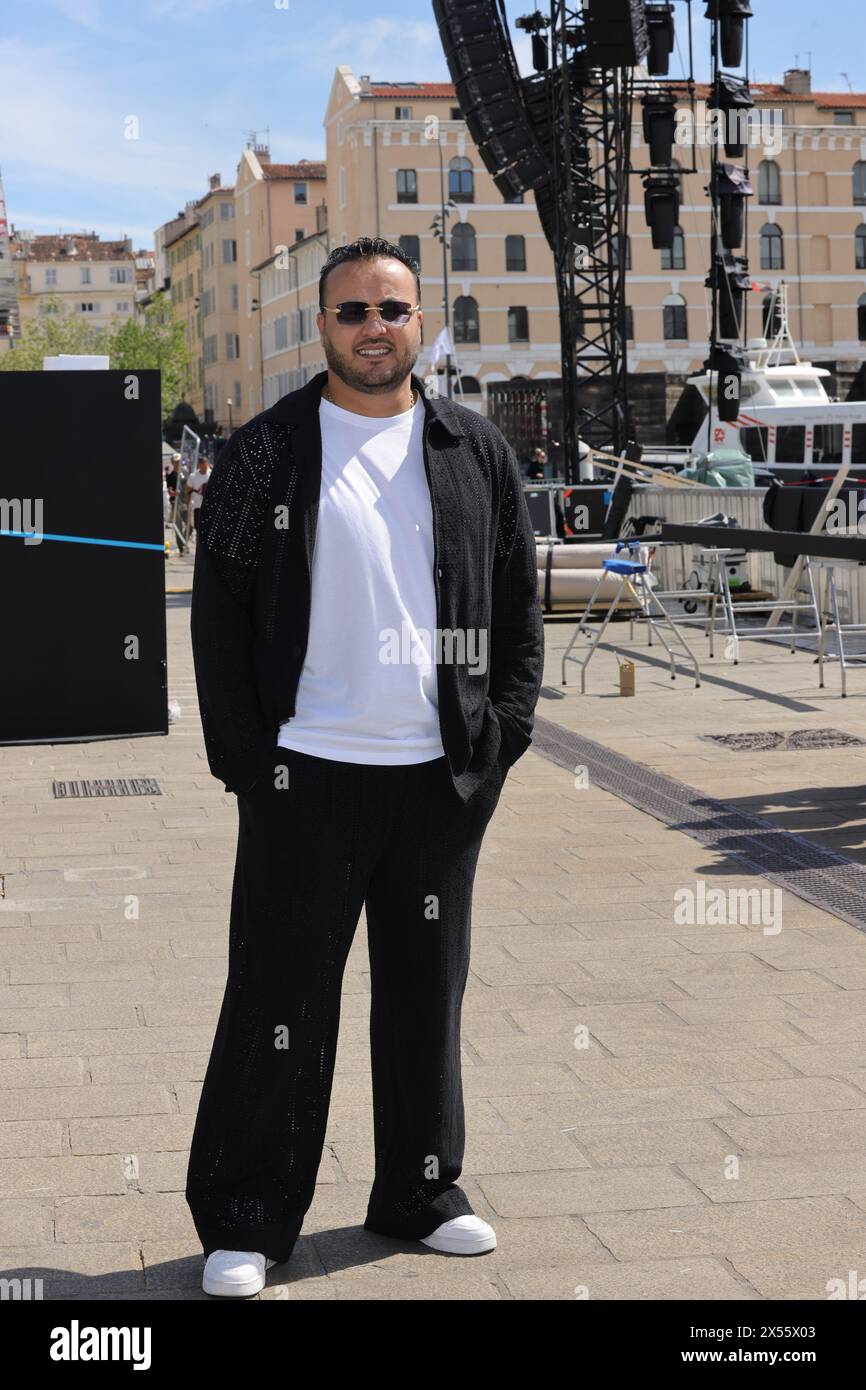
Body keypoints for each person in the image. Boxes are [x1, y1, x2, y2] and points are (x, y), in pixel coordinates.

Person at [185, 235, 544, 1298]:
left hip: (437, 780)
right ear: (321, 326)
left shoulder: (472, 448)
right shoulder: (265, 453)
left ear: (418, 321)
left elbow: (517, 610)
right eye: (351, 311)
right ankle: (248, 1217)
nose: (373, 328)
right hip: (306, 774)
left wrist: (500, 736)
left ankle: (420, 1193)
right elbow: (217, 619)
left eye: (392, 309)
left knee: (425, 994)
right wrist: (252, 763)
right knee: (277, 997)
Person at [185, 456, 211, 544]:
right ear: (199, 465)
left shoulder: (212, 474)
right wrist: (187, 505)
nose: (204, 468)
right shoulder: (193, 476)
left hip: (209, 506)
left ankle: (205, 542)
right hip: (197, 506)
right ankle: (200, 542)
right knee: (198, 527)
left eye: (205, 466)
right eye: (202, 466)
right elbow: (187, 490)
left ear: (207, 464)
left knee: (208, 527)